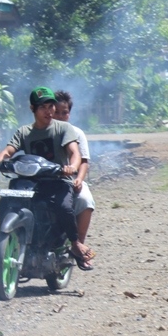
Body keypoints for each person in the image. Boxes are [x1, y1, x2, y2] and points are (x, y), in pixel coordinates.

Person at [0, 87, 94, 270]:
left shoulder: (64, 129)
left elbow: (74, 153)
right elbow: (9, 149)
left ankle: (76, 244)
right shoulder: (24, 132)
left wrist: (72, 167)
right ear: (33, 109)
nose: (49, 111)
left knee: (64, 207)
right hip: (29, 182)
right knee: (5, 202)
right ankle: (5, 245)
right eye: (43, 107)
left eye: (51, 106)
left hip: (58, 181)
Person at [54, 90, 96, 270]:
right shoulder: (39, 131)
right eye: (57, 112)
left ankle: (77, 246)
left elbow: (84, 161)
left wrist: (78, 179)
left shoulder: (76, 133)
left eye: (65, 112)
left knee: (85, 200)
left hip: (69, 180)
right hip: (42, 181)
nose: (61, 116)